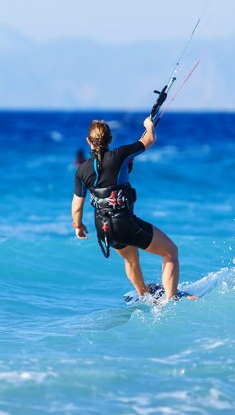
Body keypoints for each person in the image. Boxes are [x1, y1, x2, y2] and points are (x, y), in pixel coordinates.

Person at [71, 117, 182, 300]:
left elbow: (77, 206)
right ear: (110, 139)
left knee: (131, 259)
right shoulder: (120, 155)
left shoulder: (82, 170)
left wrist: (78, 226)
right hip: (124, 223)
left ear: (88, 141)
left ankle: (144, 295)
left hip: (104, 228)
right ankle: (171, 300)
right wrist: (148, 125)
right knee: (171, 252)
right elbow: (149, 140)